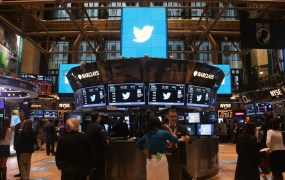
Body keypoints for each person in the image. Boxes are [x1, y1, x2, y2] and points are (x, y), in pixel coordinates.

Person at [136, 116, 179, 180]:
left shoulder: (147, 135)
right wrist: (169, 129)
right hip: (161, 157)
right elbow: (176, 140)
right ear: (158, 123)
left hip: (150, 159)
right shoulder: (164, 133)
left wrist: (145, 151)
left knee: (151, 178)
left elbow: (138, 144)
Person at [165, 108, 191, 180]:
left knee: (180, 175)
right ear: (167, 117)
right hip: (167, 154)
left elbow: (190, 139)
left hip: (179, 155)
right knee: (169, 174)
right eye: (172, 117)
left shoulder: (182, 127)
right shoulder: (163, 127)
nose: (174, 118)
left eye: (175, 116)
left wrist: (188, 138)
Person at [85, 111, 109, 180]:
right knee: (100, 172)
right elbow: (105, 141)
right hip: (99, 154)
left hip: (90, 154)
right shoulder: (99, 127)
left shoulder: (87, 126)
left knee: (92, 172)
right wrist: (107, 141)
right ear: (98, 117)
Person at [13, 111, 26, 177]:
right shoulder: (17, 125)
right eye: (20, 116)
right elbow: (15, 136)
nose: (21, 117)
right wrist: (14, 145)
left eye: (22, 116)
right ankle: (20, 172)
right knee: (18, 159)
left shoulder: (27, 125)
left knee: (24, 160)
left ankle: (24, 173)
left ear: (24, 116)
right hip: (18, 145)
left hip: (24, 145)